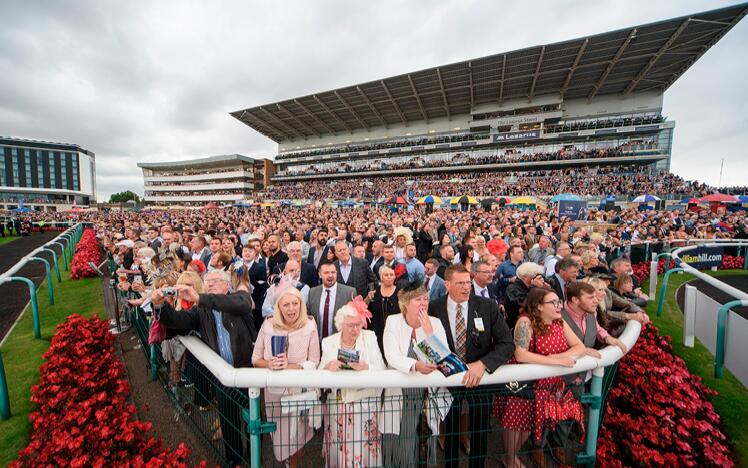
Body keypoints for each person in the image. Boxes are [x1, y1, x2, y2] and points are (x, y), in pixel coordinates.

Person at [152, 269, 256, 467]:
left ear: (227, 285)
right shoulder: (201, 310)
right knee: (229, 422)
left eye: (215, 281)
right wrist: (159, 305)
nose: (210, 284)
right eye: (207, 281)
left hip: (247, 373)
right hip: (221, 376)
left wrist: (200, 297)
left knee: (252, 421)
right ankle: (234, 461)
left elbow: (240, 304)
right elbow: (178, 322)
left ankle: (254, 458)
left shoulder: (240, 298)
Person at [428, 264, 514, 468]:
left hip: (480, 384)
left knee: (480, 433)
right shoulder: (434, 307)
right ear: (447, 284)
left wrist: (483, 364)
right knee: (450, 432)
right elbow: (427, 342)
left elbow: (507, 344)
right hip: (447, 384)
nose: (467, 287)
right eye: (460, 283)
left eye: (468, 282)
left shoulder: (487, 306)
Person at [498, 288, 586, 468]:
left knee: (529, 423)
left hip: (547, 384)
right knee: (516, 422)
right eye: (553, 302)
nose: (558, 306)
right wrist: (554, 361)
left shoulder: (559, 321)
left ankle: (513, 456)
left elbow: (579, 346)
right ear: (538, 306)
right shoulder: (525, 322)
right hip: (523, 383)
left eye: (559, 302)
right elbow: (521, 354)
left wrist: (558, 359)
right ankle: (509, 457)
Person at [381, 281, 451, 466]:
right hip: (401, 396)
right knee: (403, 443)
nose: (424, 303)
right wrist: (415, 365)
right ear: (405, 304)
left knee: (425, 443)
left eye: (426, 298)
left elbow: (443, 358)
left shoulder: (434, 323)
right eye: (418, 299)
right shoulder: (393, 321)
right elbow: (392, 356)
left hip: (427, 396)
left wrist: (428, 332)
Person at [252, 287, 320, 468]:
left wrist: (288, 366)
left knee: (298, 435)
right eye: (286, 305)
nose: (291, 309)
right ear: (279, 308)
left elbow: (315, 360)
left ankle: (294, 465)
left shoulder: (310, 325)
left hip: (299, 392)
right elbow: (255, 358)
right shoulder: (268, 324)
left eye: (295, 304)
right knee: (280, 437)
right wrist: (270, 364)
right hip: (274, 393)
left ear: (301, 305)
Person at [319, 298, 385, 467]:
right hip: (338, 406)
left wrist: (366, 367)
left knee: (364, 448)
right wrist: (328, 367)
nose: (355, 329)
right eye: (350, 325)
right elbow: (318, 373)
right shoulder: (329, 342)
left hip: (364, 406)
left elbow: (382, 369)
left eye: (358, 324)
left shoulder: (369, 338)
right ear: (341, 325)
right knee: (339, 449)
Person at [562, 281, 627, 355]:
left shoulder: (590, 310)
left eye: (595, 296)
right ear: (575, 300)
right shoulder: (556, 317)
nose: (596, 301)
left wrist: (607, 338)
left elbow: (596, 328)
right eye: (590, 298)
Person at [308, 262, 357, 341]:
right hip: (317, 344)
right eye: (326, 273)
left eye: (333, 272)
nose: (330, 275)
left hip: (340, 343)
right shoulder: (312, 292)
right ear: (320, 275)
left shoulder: (349, 292)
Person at [365, 264, 400, 354]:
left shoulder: (400, 293)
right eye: (386, 275)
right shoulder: (374, 292)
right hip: (376, 332)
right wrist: (368, 299)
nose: (389, 277)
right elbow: (364, 309)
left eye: (391, 275)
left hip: (395, 334)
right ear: (381, 277)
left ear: (395, 277)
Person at [502, 262, 547, 330]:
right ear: (525, 277)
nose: (538, 278)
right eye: (534, 276)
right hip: (516, 326)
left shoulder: (530, 288)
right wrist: (534, 288)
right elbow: (524, 305)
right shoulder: (512, 289)